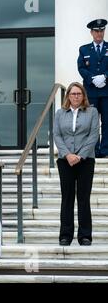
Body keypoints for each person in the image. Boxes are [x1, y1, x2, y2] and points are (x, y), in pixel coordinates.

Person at [53, 82, 99, 246]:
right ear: (68, 96)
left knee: (83, 198)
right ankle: (65, 235)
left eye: (79, 94)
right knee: (67, 198)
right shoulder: (60, 113)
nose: (76, 96)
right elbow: (57, 135)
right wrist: (67, 154)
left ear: (83, 96)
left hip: (86, 161)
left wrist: (79, 156)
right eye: (73, 94)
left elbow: (93, 136)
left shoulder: (92, 112)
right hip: (65, 161)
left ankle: (85, 235)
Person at [77, 18, 108, 157]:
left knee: (107, 122)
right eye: (96, 31)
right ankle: (94, 150)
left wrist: (105, 77)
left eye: (102, 30)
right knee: (92, 123)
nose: (99, 33)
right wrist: (92, 79)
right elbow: (81, 67)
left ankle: (105, 150)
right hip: (91, 91)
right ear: (91, 32)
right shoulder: (84, 49)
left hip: (107, 92)